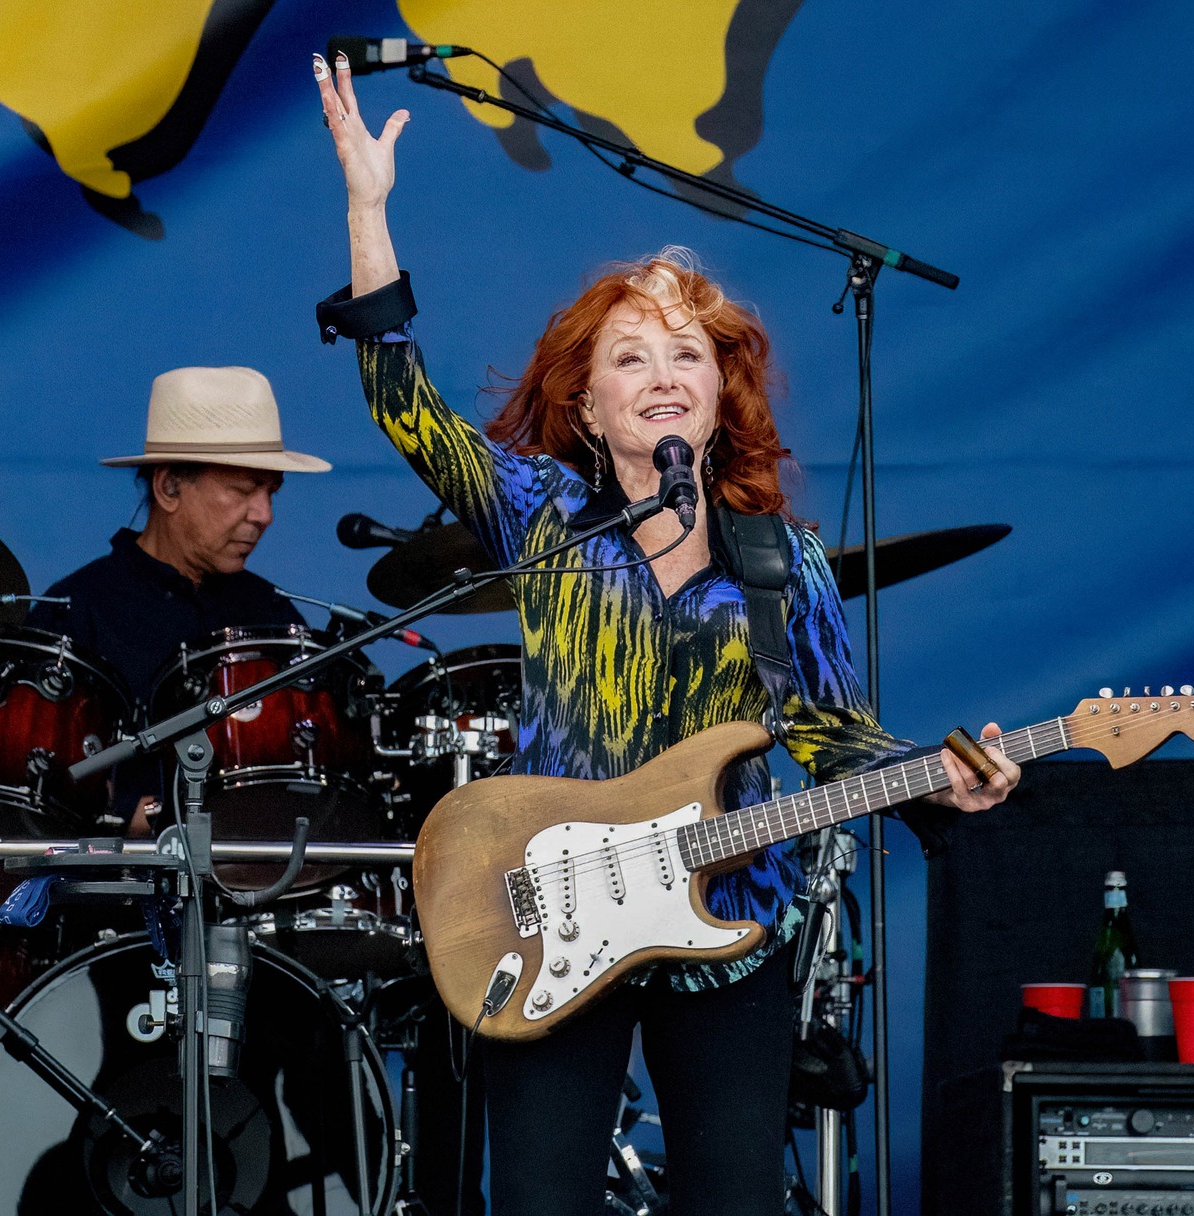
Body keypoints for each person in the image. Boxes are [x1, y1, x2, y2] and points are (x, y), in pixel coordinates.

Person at [310, 50, 1019, 1216]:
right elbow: (407, 411)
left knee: (732, 1198)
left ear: (718, 390)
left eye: (684, 353)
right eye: (627, 356)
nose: (661, 373)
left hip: (728, 921)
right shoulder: (541, 514)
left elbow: (830, 732)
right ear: (585, 406)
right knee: (537, 1198)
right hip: (553, 909)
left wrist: (936, 780)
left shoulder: (776, 558)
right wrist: (365, 212)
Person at [26, 364, 331, 816]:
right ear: (169, 487)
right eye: (244, 489)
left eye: (271, 492)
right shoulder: (75, 611)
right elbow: (29, 784)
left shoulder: (274, 617)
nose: (264, 514)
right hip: (115, 883)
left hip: (261, 881)